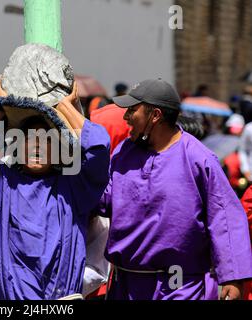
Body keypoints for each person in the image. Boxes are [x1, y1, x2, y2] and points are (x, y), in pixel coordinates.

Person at [0, 80, 111, 300]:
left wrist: (66, 106)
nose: (37, 145)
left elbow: (98, 149)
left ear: (59, 148)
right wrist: (0, 106)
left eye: (46, 140)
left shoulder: (74, 186)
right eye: (29, 139)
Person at [99, 79, 252, 300]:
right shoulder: (124, 151)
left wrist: (232, 277)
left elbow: (225, 218)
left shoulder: (199, 159)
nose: (126, 117)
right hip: (126, 286)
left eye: (132, 110)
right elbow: (104, 200)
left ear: (155, 115)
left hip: (179, 286)